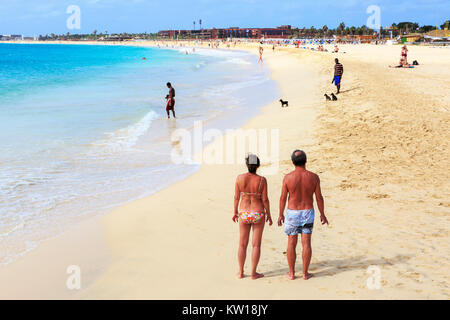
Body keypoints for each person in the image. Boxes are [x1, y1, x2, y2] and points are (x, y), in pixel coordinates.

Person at [278, 150, 329, 280]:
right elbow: (319, 198)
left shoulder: (288, 177)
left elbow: (283, 198)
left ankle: (291, 273)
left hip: (292, 212)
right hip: (307, 212)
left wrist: (280, 214)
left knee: (291, 243)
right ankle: (305, 273)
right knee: (306, 243)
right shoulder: (313, 177)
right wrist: (322, 214)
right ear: (305, 160)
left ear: (293, 162)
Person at [233, 154, 273, 279]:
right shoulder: (262, 180)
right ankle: (253, 273)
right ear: (258, 165)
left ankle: (240, 272)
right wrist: (269, 214)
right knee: (256, 245)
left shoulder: (239, 178)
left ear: (247, 165)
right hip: (258, 212)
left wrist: (235, 211)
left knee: (242, 244)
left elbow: (236, 197)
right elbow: (265, 199)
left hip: (244, 213)